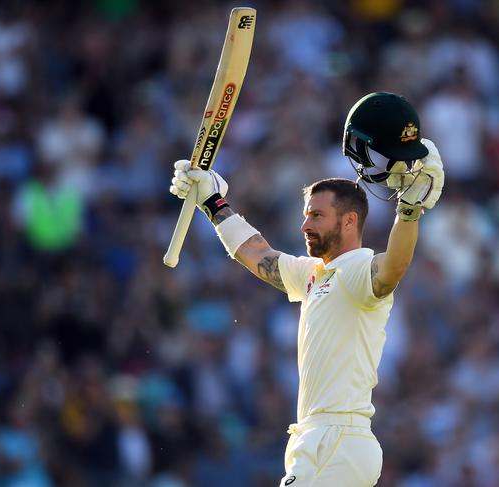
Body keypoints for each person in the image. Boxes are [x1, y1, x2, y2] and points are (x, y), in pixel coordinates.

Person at [169, 92, 445, 487]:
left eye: (316, 216)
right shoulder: (315, 273)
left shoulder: (356, 271)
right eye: (305, 215)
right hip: (320, 441)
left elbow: (393, 267)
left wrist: (409, 210)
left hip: (338, 440)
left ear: (349, 221)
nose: (305, 226)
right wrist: (212, 201)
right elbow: (258, 255)